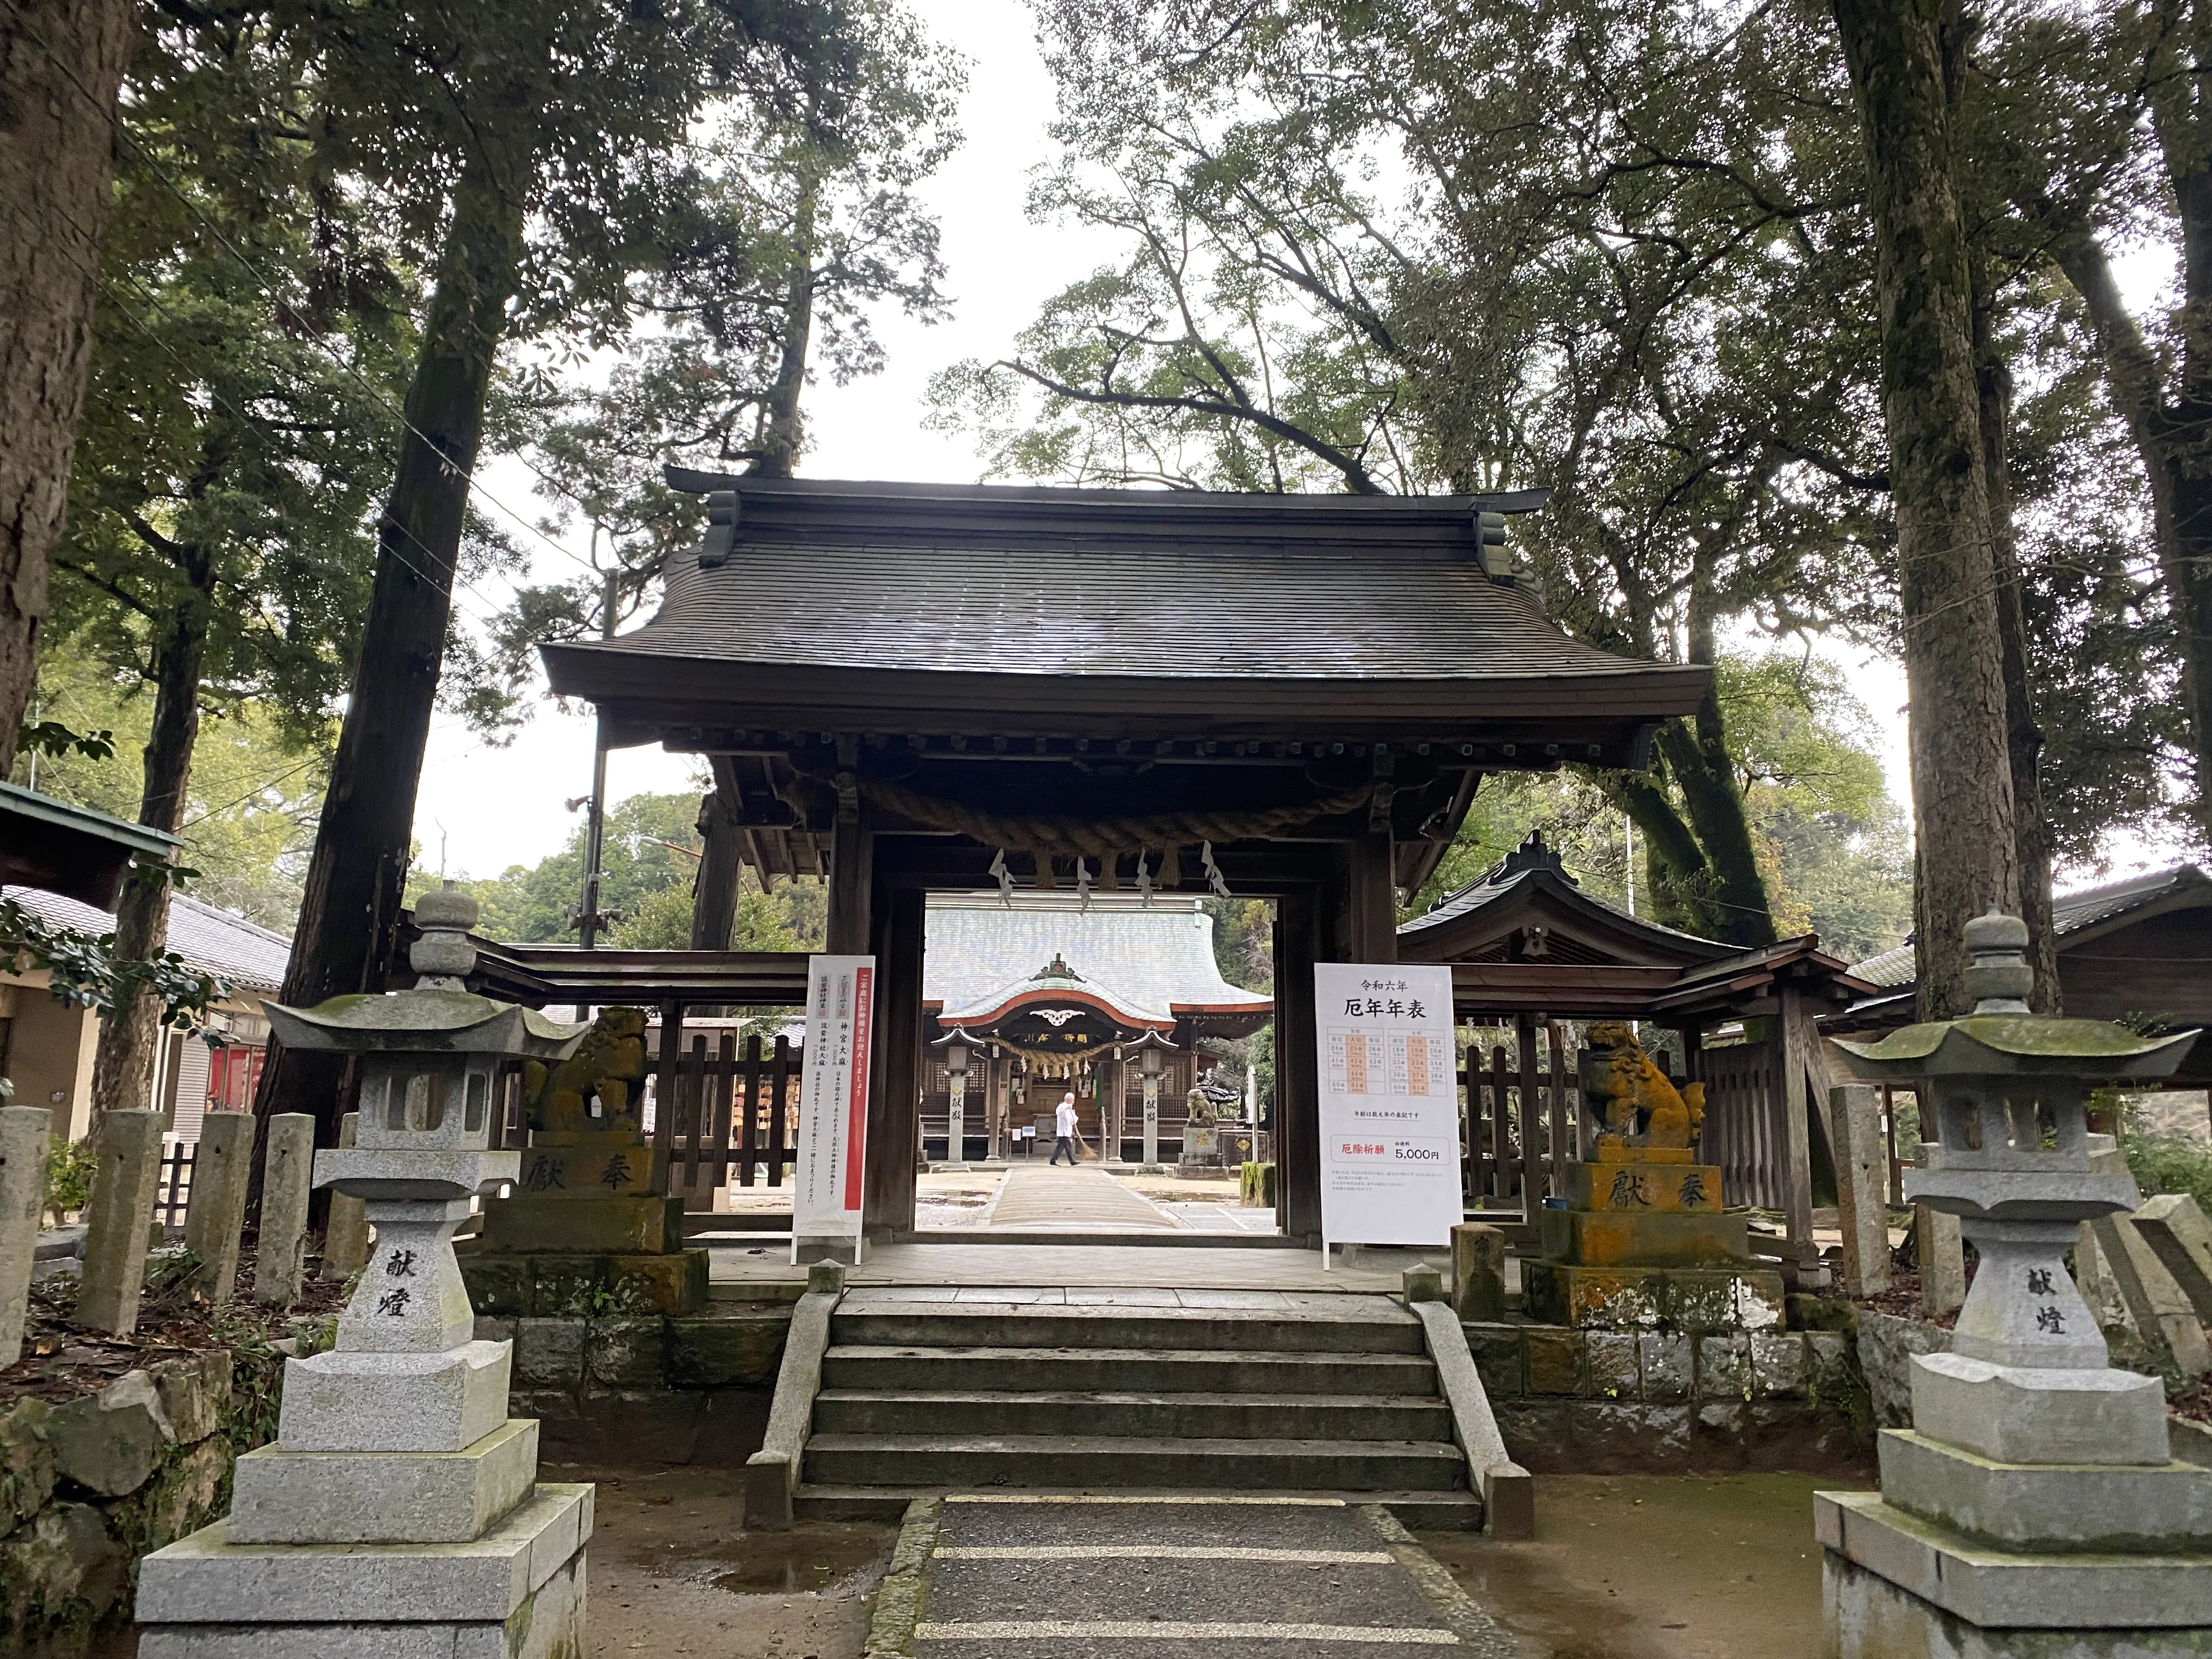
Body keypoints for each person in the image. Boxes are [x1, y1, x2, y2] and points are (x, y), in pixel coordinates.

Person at [1049, 1092, 1079, 1165]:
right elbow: (1061, 1114)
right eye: (1073, 1100)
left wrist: (1075, 1119)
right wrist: (1067, 1109)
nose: (1073, 1101)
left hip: (1066, 1130)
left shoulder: (1069, 1108)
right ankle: (1072, 1161)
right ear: (1069, 1100)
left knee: (1061, 1146)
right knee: (1068, 1146)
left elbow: (1072, 1118)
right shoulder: (1062, 1107)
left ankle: (1053, 1160)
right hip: (1063, 1131)